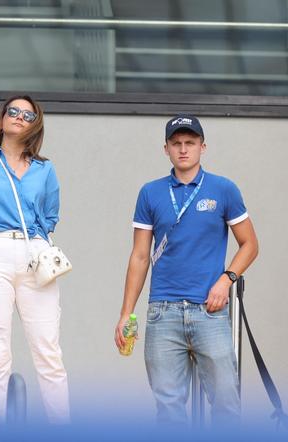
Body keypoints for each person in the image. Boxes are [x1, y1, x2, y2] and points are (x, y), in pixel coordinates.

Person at [114, 115, 259, 425]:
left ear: (202, 147)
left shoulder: (223, 189)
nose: (183, 149)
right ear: (165, 148)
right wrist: (126, 313)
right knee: (169, 410)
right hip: (161, 312)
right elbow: (140, 256)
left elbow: (249, 244)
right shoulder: (150, 193)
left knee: (226, 405)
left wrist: (226, 279)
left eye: (190, 143)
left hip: (209, 311)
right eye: (176, 143)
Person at [0, 95, 69, 424]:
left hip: (34, 253)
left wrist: (32, 241)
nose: (19, 117)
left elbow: (50, 217)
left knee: (48, 349)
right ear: (2, 117)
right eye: (13, 111)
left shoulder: (44, 169)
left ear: (36, 123)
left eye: (28, 114)